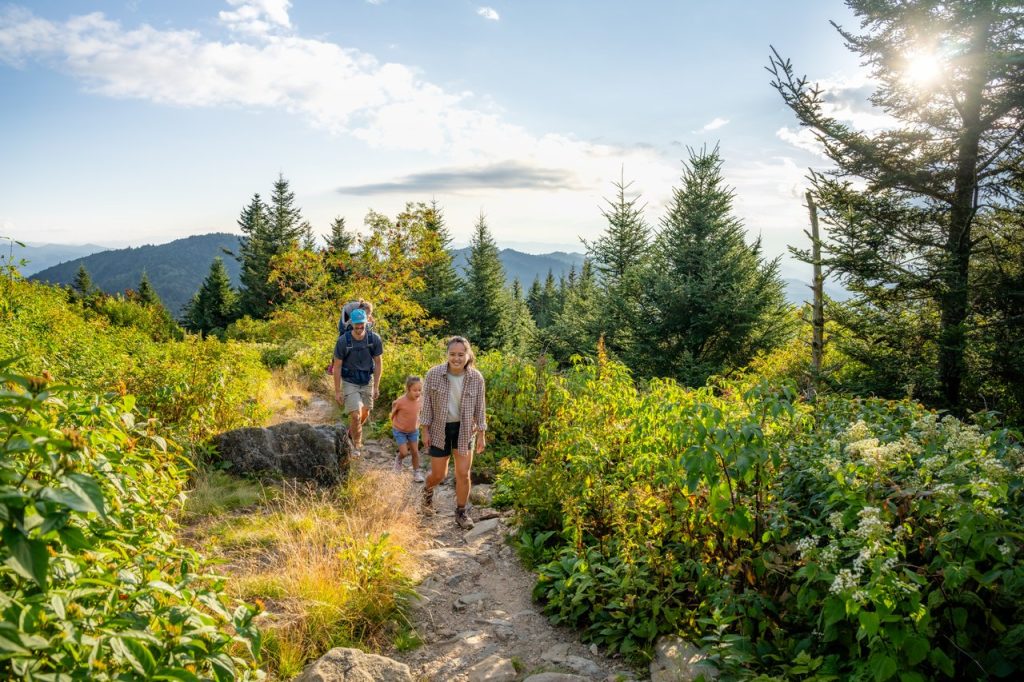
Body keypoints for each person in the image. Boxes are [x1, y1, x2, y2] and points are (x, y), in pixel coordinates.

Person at [420, 336, 487, 530]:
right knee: (438, 475)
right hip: (439, 428)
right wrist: (425, 430)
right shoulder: (434, 374)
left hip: (465, 428)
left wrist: (482, 433)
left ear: (468, 355)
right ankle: (427, 493)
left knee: (463, 473)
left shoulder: (476, 378)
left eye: (461, 354)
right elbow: (427, 406)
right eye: (452, 354)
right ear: (447, 355)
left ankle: (461, 512)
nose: (456, 358)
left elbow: (480, 407)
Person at [332, 307, 383, 454]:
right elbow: (337, 366)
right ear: (352, 324)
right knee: (355, 415)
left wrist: (376, 386)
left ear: (366, 322)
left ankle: (350, 434)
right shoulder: (343, 341)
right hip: (350, 381)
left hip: (367, 380)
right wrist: (337, 390)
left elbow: (378, 363)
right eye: (357, 325)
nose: (360, 327)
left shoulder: (374, 339)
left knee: (365, 413)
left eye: (362, 324)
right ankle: (356, 445)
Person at [391, 375, 425, 482]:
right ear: (408, 389)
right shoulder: (400, 401)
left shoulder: (421, 400)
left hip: (413, 430)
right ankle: (399, 459)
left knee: (415, 451)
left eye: (419, 390)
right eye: (414, 390)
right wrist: (395, 423)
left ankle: (416, 472)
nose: (417, 393)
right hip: (400, 430)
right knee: (404, 452)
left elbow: (422, 412)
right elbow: (393, 411)